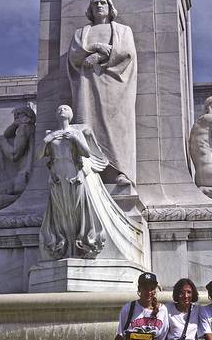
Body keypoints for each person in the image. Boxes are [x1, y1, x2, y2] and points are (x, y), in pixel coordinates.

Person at [38, 105, 142, 263]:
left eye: (65, 109)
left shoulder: (76, 132)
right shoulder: (50, 134)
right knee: (61, 212)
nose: (61, 110)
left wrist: (75, 139)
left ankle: (81, 245)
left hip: (75, 175)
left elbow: (86, 153)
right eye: (59, 109)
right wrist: (47, 140)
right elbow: (39, 155)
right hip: (57, 177)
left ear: (71, 115)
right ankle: (64, 247)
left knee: (77, 209)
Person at [67, 0, 137, 186]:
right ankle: (88, 170)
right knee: (87, 126)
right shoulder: (81, 33)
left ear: (110, 6)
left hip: (115, 86)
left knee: (117, 128)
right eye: (95, 3)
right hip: (87, 86)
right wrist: (96, 47)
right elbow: (74, 56)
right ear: (90, 9)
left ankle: (121, 171)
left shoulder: (123, 30)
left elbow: (127, 53)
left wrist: (98, 57)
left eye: (103, 2)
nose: (99, 5)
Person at [0, 106, 36, 213]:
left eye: (18, 115)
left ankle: (17, 202)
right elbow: (8, 134)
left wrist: (1, 141)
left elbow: (14, 155)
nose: (16, 118)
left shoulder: (24, 128)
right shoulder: (29, 128)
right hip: (22, 178)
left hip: (21, 179)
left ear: (26, 117)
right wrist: (15, 124)